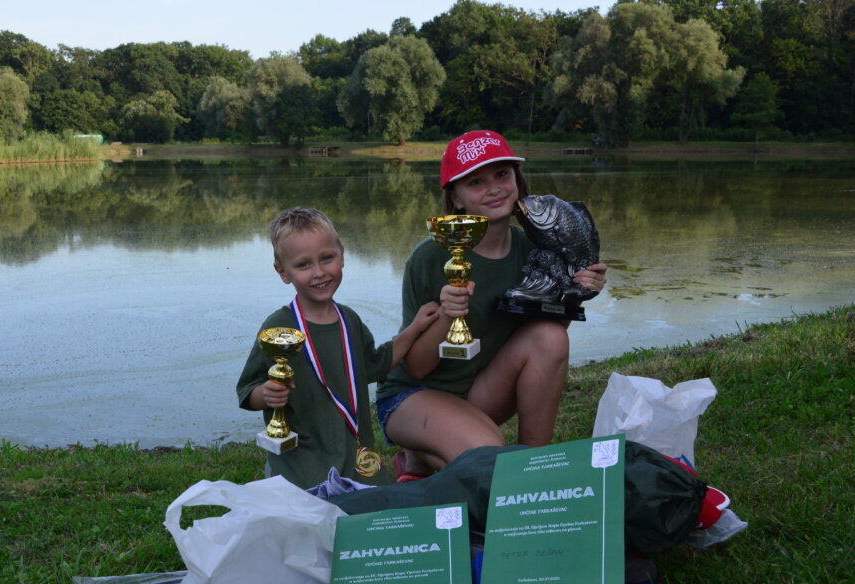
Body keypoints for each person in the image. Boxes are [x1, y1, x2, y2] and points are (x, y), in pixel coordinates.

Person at [376, 130, 608, 481]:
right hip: (414, 396)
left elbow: (547, 336)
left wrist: (575, 291)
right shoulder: (429, 257)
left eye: (502, 174)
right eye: (477, 182)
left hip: (480, 392)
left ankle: (535, 467)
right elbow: (418, 368)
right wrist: (447, 314)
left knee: (550, 338)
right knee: (489, 458)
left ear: (518, 178)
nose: (495, 187)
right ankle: (423, 454)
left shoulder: (534, 249)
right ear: (456, 198)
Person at [237, 207, 439, 489]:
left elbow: (376, 364)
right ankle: (277, 475)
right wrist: (266, 393)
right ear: (283, 272)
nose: (319, 272)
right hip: (301, 457)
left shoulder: (349, 321)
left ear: (342, 254)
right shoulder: (279, 326)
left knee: (385, 515)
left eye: (327, 258)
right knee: (312, 516)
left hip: (353, 452)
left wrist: (414, 328)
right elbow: (248, 390)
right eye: (303, 265)